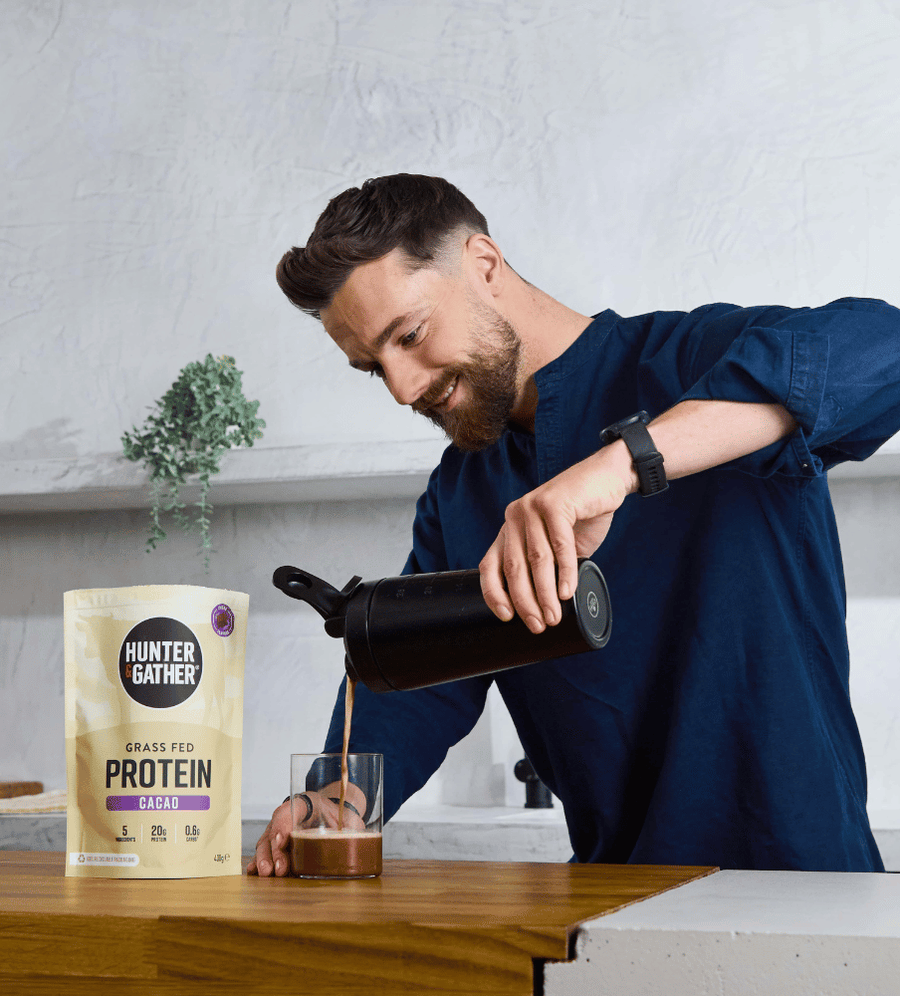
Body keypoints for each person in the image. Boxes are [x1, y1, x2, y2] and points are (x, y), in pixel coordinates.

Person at [249, 173, 900, 876]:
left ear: (485, 266)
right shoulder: (462, 492)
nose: (404, 387)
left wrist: (620, 466)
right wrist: (337, 802)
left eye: (409, 335)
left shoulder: (692, 362)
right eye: (375, 369)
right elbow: (414, 683)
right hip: (609, 911)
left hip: (802, 889)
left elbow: (882, 347)